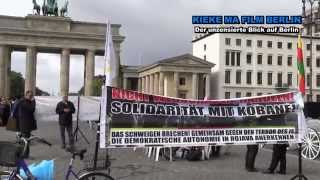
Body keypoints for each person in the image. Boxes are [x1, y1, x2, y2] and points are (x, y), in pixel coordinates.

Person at [17, 90, 37, 158]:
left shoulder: (26, 101)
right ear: (26, 95)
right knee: (26, 140)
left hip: (26, 124)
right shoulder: (23, 102)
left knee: (26, 140)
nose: (31, 97)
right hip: (24, 124)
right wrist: (34, 101)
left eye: (32, 96)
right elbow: (32, 109)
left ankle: (24, 154)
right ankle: (25, 155)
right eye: (30, 96)